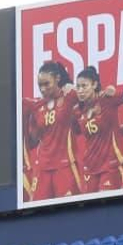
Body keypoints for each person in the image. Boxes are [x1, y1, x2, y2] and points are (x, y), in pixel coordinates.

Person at [22, 60, 79, 201]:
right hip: (41, 169)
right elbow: (33, 141)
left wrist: (72, 87)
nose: (43, 89)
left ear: (57, 79)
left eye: (47, 84)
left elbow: (91, 97)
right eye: (40, 85)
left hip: (64, 166)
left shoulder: (69, 96)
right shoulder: (35, 105)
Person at [72, 66, 123, 193]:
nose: (80, 90)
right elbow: (77, 131)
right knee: (89, 210)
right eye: (78, 87)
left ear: (95, 84)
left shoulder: (107, 99)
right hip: (89, 167)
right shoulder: (77, 110)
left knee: (107, 208)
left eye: (84, 86)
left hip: (110, 166)